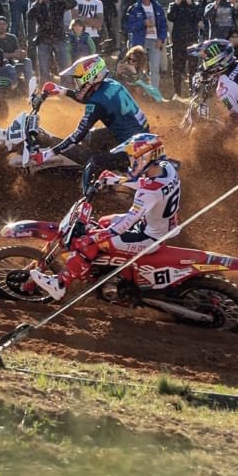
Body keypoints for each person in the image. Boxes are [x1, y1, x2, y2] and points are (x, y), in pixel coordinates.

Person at [28, 133, 181, 302]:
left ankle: (60, 284)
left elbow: (128, 221)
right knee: (102, 222)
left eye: (134, 158)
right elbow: (147, 183)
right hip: (159, 227)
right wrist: (117, 180)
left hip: (149, 237)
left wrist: (99, 236)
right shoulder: (166, 169)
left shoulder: (148, 193)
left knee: (86, 243)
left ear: (146, 157)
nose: (131, 162)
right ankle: (105, 272)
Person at [34, 54, 152, 192]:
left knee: (93, 161)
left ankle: (89, 195)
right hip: (140, 136)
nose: (77, 86)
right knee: (90, 137)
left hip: (133, 150)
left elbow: (77, 135)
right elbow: (93, 98)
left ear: (92, 77)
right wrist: (62, 91)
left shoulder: (96, 102)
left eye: (78, 81)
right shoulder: (111, 83)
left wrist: (48, 154)